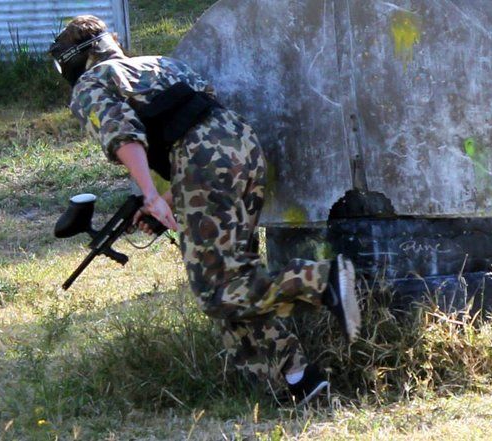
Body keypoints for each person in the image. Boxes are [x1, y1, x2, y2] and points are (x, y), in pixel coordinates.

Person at [49, 15, 361, 406]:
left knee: (216, 290)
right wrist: (167, 202)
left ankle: (321, 280)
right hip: (243, 149)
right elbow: (187, 122)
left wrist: (149, 193)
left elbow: (122, 134)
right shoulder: (159, 64)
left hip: (202, 163)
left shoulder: (91, 82)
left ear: (77, 58)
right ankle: (299, 382)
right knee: (234, 278)